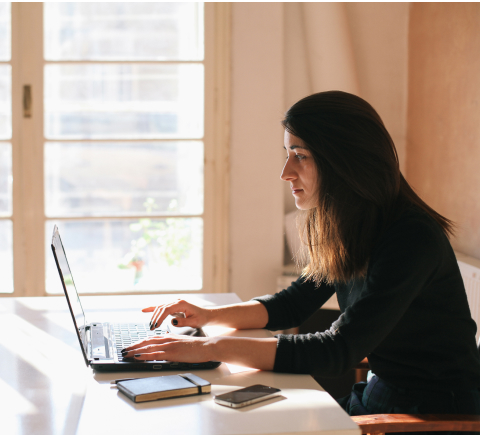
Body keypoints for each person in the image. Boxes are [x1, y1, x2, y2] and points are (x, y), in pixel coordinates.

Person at [122, 91, 480, 417]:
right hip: (381, 396)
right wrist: (206, 316)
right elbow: (291, 305)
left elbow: (336, 350)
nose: (285, 172)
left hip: (431, 414)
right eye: (287, 154)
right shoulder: (353, 223)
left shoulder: (410, 238)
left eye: (301, 156)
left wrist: (210, 348)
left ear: (346, 161)